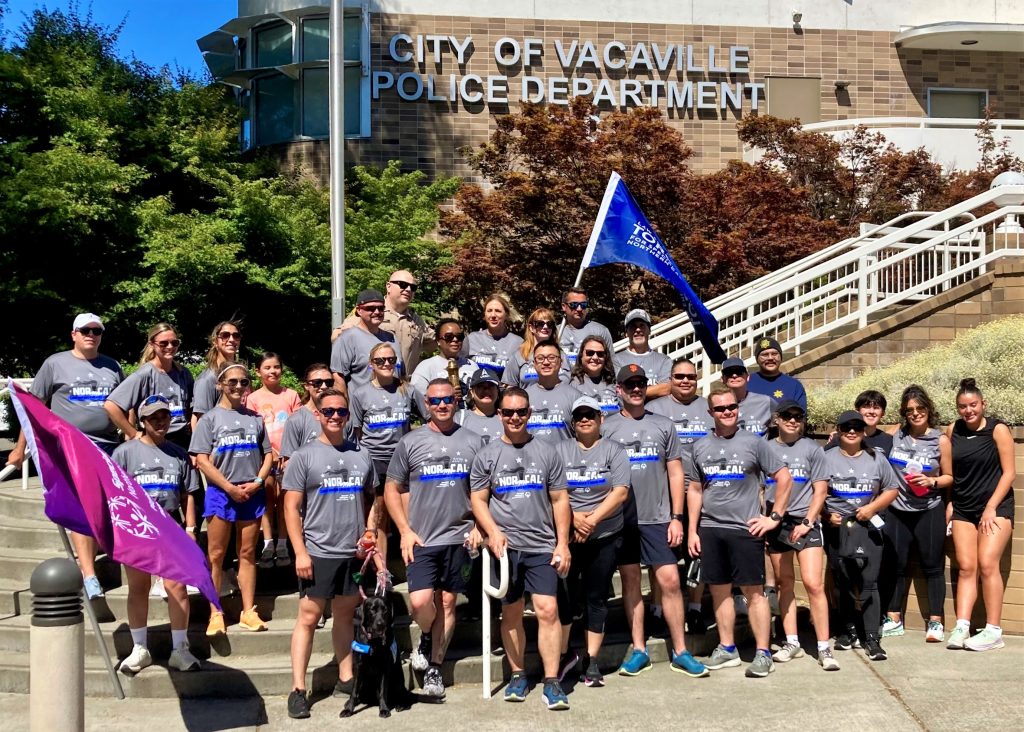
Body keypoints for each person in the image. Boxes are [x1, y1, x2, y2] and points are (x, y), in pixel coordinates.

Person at [7, 313, 124, 600]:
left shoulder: (112, 367)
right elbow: (33, 408)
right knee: (83, 509)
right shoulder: (55, 364)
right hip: (70, 449)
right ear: (73, 334)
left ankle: (104, 557)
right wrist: (21, 448)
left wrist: (132, 435)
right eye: (85, 330)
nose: (91, 335)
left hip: (108, 447)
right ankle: (89, 574)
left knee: (106, 508)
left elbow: (123, 406)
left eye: (96, 331)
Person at [469, 387, 573, 710]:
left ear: (529, 414)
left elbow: (559, 499)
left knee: (548, 610)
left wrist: (563, 543)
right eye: (509, 412)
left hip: (541, 546)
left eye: (521, 412)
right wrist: (493, 532)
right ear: (499, 414)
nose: (515, 417)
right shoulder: (487, 455)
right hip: (505, 549)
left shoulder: (547, 451)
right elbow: (478, 500)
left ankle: (552, 681)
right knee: (511, 612)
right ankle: (517, 674)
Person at [603, 365, 708, 679]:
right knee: (632, 583)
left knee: (671, 583)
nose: (636, 388)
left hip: (659, 518)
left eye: (640, 383)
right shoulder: (606, 427)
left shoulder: (663, 424)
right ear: (619, 389)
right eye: (630, 384)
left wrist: (677, 517)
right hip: (623, 520)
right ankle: (639, 650)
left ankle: (681, 650)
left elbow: (677, 473)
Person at [282, 388, 379, 719]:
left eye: (341, 412)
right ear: (318, 415)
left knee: (344, 616)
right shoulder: (304, 456)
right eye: (329, 412)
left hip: (351, 552)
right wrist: (300, 552)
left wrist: (370, 531)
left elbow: (372, 500)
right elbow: (291, 508)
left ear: (348, 416)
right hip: (317, 551)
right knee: (308, 618)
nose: (336, 416)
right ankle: (297, 689)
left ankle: (346, 677)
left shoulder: (361, 454)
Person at [384, 379, 483, 699]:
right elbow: (391, 489)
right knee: (421, 601)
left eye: (448, 400)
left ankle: (435, 668)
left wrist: (481, 527)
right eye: (435, 401)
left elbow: (485, 490)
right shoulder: (410, 442)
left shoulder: (473, 441)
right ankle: (426, 636)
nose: (442, 406)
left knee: (449, 601)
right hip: (422, 538)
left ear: (456, 402)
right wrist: (404, 530)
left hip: (459, 536)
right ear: (426, 404)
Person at [688, 384, 793, 678]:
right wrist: (693, 530)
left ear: (738, 409)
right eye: (720, 408)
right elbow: (695, 489)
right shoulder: (700, 446)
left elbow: (784, 479)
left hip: (746, 529)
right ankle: (727, 648)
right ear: (710, 413)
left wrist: (774, 517)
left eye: (731, 407)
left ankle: (763, 652)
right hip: (710, 528)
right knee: (719, 591)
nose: (727, 413)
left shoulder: (755, 443)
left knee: (754, 593)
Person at [112, 395, 202, 675]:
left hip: (171, 529)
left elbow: (188, 493)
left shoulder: (178, 453)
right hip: (137, 530)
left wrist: (190, 528)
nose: (160, 422)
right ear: (142, 420)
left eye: (164, 416)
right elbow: (114, 494)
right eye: (153, 417)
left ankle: (180, 649)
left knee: (177, 588)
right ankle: (140, 648)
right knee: (138, 588)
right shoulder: (125, 453)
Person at [189, 361, 273, 636]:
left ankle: (248, 611)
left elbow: (268, 454)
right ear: (220, 385)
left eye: (244, 382)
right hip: (221, 493)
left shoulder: (255, 418)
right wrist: (228, 487)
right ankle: (216, 612)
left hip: (251, 492)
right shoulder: (210, 419)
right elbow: (201, 459)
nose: (238, 387)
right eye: (232, 382)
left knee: (248, 553)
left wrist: (258, 481)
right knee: (216, 555)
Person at [555, 396, 630, 687]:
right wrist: (573, 518)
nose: (584, 420)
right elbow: (553, 490)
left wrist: (592, 520)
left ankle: (592, 660)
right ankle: (563, 654)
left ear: (600, 419)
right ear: (572, 423)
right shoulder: (560, 450)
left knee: (596, 597)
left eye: (590, 415)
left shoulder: (614, 450)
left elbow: (621, 491)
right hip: (568, 535)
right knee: (565, 597)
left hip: (605, 534)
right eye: (579, 416)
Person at [762, 401, 835, 670]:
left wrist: (808, 521)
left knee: (814, 584)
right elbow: (760, 488)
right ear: (777, 420)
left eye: (798, 417)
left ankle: (824, 647)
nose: (793, 421)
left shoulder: (812, 450)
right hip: (776, 522)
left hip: (805, 521)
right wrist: (765, 519)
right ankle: (791, 642)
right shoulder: (766, 448)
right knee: (784, 583)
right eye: (788, 416)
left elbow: (820, 491)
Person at [822, 410, 901, 661]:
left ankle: (872, 638)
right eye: (846, 427)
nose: (852, 431)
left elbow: (892, 489)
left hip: (868, 526)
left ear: (864, 429)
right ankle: (848, 630)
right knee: (843, 581)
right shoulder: (826, 457)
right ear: (839, 429)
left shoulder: (876, 458)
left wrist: (871, 508)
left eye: (857, 426)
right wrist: (826, 515)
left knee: (869, 583)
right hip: (839, 528)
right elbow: (816, 492)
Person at [879, 385, 952, 643]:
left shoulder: (939, 439)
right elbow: (870, 438)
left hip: (928, 509)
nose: (915, 413)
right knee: (896, 565)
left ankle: (935, 622)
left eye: (920, 408)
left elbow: (949, 477)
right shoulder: (895, 434)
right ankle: (893, 618)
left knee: (932, 566)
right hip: (898, 509)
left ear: (928, 409)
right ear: (904, 413)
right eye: (910, 410)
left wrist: (931, 482)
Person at [947, 378, 1016, 652]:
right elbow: (953, 471)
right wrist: (951, 502)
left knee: (988, 564)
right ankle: (962, 625)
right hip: (963, 507)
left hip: (995, 507)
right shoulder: (954, 429)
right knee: (966, 567)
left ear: (983, 404)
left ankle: (993, 631)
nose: (968, 410)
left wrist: (990, 507)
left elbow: (1009, 472)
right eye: (963, 406)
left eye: (973, 405)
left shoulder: (997, 430)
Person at [648, 357, 711, 634]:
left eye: (690, 377)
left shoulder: (708, 408)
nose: (685, 381)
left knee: (697, 553)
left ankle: (695, 608)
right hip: (665, 493)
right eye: (679, 377)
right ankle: (657, 608)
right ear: (670, 379)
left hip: (700, 491)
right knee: (662, 553)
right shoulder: (654, 409)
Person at [245, 352, 303, 569]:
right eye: (267, 367)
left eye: (276, 367)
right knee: (268, 500)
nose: (272, 371)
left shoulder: (291, 395)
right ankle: (268, 542)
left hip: (288, 458)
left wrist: (290, 454)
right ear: (258, 372)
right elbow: (253, 430)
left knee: (286, 501)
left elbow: (298, 426)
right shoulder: (253, 399)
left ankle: (283, 543)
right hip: (265, 459)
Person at [107, 323, 194, 450]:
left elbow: (192, 410)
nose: (170, 347)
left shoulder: (184, 373)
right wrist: (133, 433)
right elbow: (111, 405)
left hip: (182, 441)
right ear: (152, 344)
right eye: (163, 343)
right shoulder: (144, 374)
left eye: (174, 343)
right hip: (154, 441)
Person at [332, 270, 435, 377]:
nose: (408, 289)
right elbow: (337, 336)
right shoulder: (371, 310)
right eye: (403, 285)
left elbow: (435, 343)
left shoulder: (417, 320)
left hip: (403, 387)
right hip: (371, 386)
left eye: (413, 287)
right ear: (388, 286)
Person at [330, 289, 399, 397]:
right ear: (358, 310)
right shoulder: (347, 338)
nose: (377, 312)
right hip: (362, 408)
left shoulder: (391, 338)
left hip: (393, 406)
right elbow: (338, 377)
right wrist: (345, 410)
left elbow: (400, 373)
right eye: (370, 308)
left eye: (381, 308)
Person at [410, 319, 479, 412]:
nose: (455, 340)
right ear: (438, 340)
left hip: (469, 421)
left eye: (459, 337)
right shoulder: (426, 367)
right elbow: (419, 400)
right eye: (449, 337)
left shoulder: (472, 365)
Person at [524, 342, 582, 443]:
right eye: (540, 358)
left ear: (561, 362)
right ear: (534, 364)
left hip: (564, 457)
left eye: (551, 357)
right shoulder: (524, 397)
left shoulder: (575, 397)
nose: (546, 362)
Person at [279, 364, 333, 468]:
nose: (324, 386)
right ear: (306, 386)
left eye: (329, 382)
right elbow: (288, 463)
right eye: (317, 383)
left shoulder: (342, 417)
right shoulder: (295, 420)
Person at [192, 321, 243, 429]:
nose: (231, 339)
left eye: (236, 335)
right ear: (215, 341)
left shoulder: (242, 375)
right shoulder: (207, 379)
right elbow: (200, 423)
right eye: (225, 335)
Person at [613, 309, 671, 399]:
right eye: (633, 326)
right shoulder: (616, 360)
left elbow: (666, 389)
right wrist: (654, 389)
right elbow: (617, 391)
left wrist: (630, 390)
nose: (638, 330)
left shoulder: (664, 361)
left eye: (642, 325)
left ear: (649, 330)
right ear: (626, 333)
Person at [463, 293, 523, 380]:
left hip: (505, 392)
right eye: (489, 311)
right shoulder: (472, 339)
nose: (493, 315)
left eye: (498, 311)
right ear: (484, 315)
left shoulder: (517, 343)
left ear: (506, 315)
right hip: (477, 391)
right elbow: (458, 364)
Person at [502, 308, 565, 387]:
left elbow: (567, 382)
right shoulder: (519, 355)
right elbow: (509, 386)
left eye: (549, 324)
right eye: (540, 324)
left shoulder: (561, 355)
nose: (545, 327)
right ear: (531, 327)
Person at [558, 287, 614, 370]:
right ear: (564, 306)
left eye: (583, 305)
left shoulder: (600, 331)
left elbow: (612, 363)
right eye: (574, 305)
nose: (579, 309)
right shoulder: (555, 332)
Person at [746, 337, 807, 410]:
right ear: (757, 359)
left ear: (781, 357)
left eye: (774, 354)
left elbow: (801, 416)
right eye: (765, 355)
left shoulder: (794, 385)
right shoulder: (747, 382)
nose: (770, 358)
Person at [825, 390, 894, 455]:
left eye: (876, 408)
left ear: (883, 413)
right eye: (866, 407)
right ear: (858, 411)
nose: (871, 411)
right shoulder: (843, 437)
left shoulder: (888, 440)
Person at [719, 357, 774, 437]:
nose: (734, 375)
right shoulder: (716, 406)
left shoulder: (765, 402)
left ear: (748, 377)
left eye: (739, 372)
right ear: (722, 379)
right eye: (729, 373)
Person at [569, 335, 619, 414]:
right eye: (590, 353)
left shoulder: (615, 383)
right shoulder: (572, 385)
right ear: (581, 355)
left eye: (600, 354)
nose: (595, 357)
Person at [455, 368, 504, 445]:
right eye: (481, 386)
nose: (487, 390)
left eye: (491, 386)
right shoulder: (460, 418)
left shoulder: (507, 417)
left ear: (498, 390)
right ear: (472, 392)